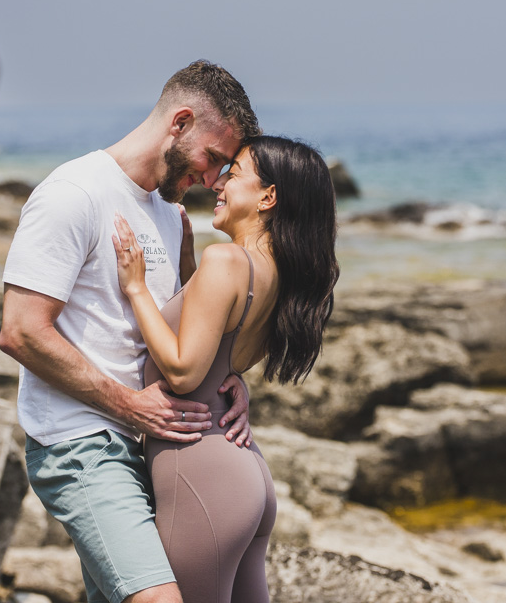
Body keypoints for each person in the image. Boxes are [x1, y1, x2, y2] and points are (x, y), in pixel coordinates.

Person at [0, 60, 261, 603]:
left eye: (223, 169)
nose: (212, 180)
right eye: (212, 159)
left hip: (147, 447)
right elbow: (21, 332)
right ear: (180, 122)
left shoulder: (170, 216)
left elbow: (188, 339)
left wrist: (230, 380)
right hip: (80, 445)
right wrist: (129, 405)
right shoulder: (74, 193)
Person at [112, 135, 340, 603]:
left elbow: (182, 372)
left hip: (201, 474)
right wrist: (188, 265)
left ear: (268, 197)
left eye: (233, 174)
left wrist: (136, 287)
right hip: (247, 475)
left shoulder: (227, 262)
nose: (216, 182)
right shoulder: (279, 274)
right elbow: (224, 348)